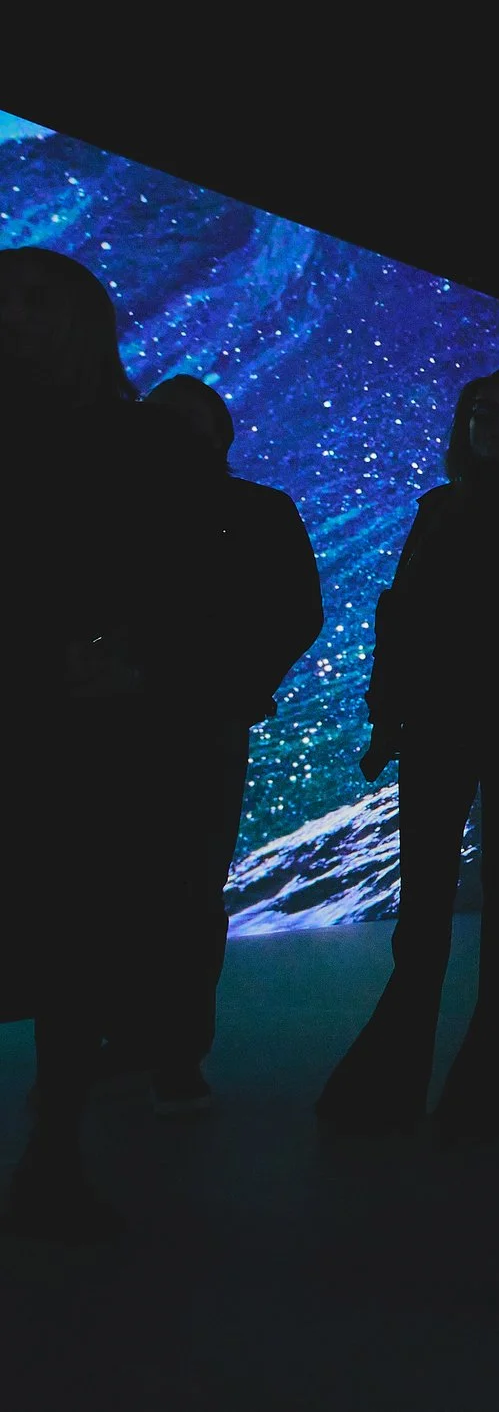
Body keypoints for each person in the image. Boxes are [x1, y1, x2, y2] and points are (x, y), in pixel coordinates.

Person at [0, 248, 219, 1243]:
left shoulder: (147, 447)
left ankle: (54, 1156)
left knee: (73, 943)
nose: (14, 318)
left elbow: (189, 590)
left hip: (87, 735)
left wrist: (141, 663)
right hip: (52, 712)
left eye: (34, 301)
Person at [318, 372, 499, 1142]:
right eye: (487, 414)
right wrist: (387, 717)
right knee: (431, 909)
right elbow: (403, 615)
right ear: (468, 425)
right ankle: (417, 1086)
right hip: (442, 724)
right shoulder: (441, 509)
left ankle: (473, 1092)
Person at [138, 375, 324, 1115]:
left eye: (189, 421)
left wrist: (240, 686)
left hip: (202, 719)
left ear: (221, 434)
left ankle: (176, 1049)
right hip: (117, 716)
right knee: (123, 886)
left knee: (187, 888)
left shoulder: (257, 508)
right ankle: (132, 1037)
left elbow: (298, 610)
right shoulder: (115, 509)